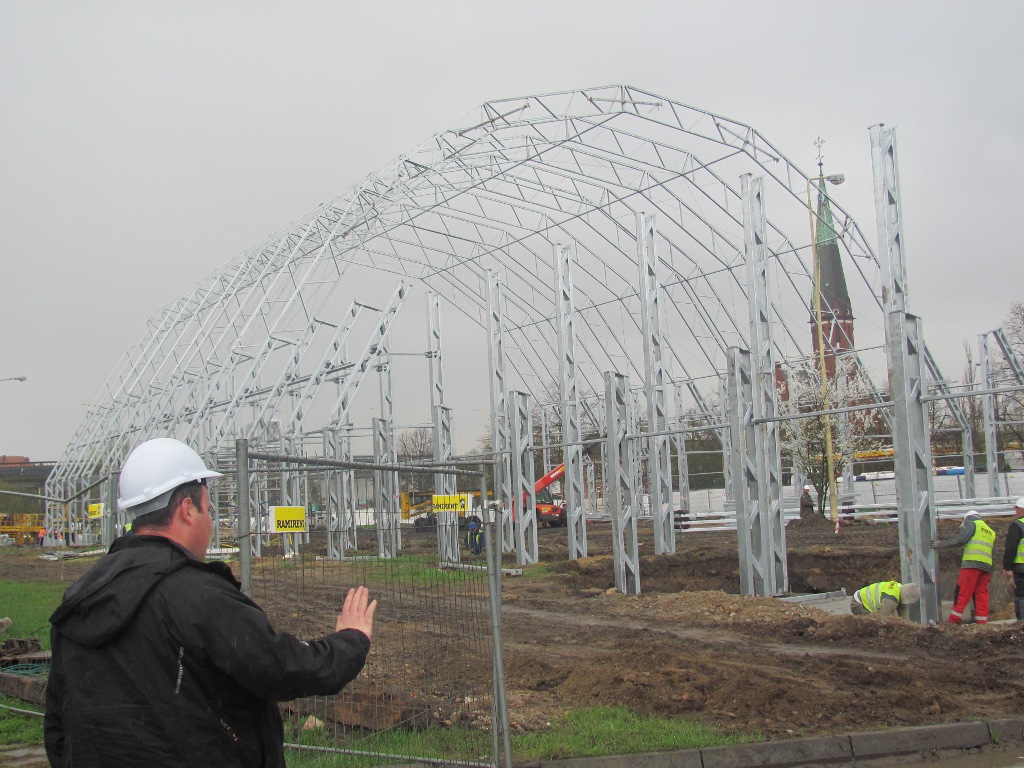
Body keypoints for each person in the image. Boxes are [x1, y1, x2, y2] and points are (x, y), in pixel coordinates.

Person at [44, 437, 377, 767]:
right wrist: (350, 640)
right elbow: (281, 668)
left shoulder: (83, 595)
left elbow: (59, 726)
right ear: (188, 510)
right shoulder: (198, 597)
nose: (210, 521)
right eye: (209, 509)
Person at [932, 510, 995, 624]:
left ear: (967, 518)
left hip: (971, 564)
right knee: (981, 593)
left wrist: (940, 544)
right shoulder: (990, 531)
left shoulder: (971, 523)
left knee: (963, 591)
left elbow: (960, 540)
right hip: (986, 566)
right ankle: (982, 622)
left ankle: (954, 620)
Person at [1002, 497, 1024, 622]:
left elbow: (1011, 547)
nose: (1016, 512)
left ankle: (1021, 624)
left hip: (1021, 567)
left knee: (1021, 596)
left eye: (1017, 509)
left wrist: (1007, 566)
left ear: (1021, 510)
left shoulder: (1017, 525)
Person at [850, 581, 920, 617]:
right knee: (874, 621)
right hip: (858, 605)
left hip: (860, 600)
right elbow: (883, 619)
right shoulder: (890, 600)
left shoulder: (900, 589)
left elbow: (904, 609)